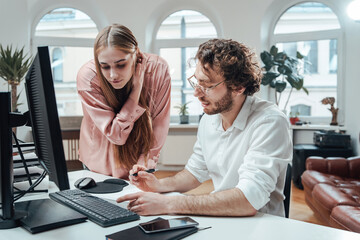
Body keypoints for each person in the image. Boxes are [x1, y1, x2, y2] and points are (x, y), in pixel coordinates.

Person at [116, 39, 292, 217]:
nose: (197, 93)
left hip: (262, 226)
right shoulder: (210, 119)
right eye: (197, 82)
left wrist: (169, 204)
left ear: (238, 87)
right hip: (223, 218)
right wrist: (158, 185)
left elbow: (248, 200)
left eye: (207, 86)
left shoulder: (270, 122)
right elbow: (194, 172)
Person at [76, 24, 171, 179]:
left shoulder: (158, 70)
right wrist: (136, 90)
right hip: (98, 166)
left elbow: (159, 124)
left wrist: (144, 164)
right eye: (105, 67)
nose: (113, 75)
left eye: (121, 64)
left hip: (138, 164)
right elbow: (116, 136)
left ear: (136, 54)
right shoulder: (88, 77)